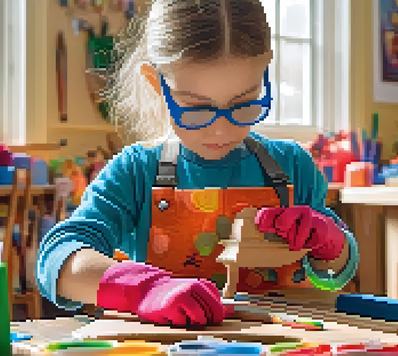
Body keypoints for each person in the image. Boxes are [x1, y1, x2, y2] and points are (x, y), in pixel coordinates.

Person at [36, 0, 359, 328]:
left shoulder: (291, 166)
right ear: (155, 84)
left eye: (244, 103)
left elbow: (333, 275)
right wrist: (143, 289)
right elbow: (57, 261)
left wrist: (332, 246)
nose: (221, 129)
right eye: (197, 107)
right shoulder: (136, 172)